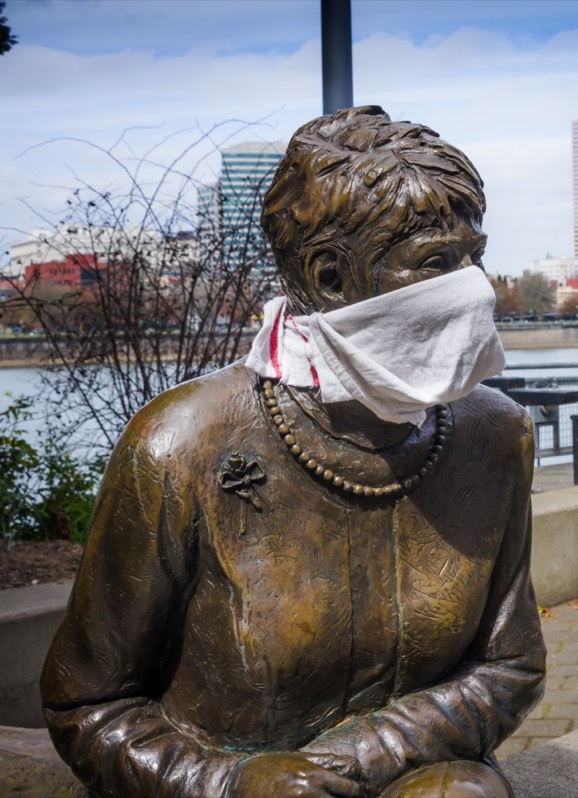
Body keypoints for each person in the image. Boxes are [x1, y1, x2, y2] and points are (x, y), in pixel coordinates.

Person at [41, 106, 546, 798]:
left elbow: (509, 664)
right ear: (332, 276)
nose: (472, 289)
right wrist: (229, 784)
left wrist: (359, 759)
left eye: (474, 258)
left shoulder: (497, 438)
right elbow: (86, 705)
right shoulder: (179, 448)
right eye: (437, 265)